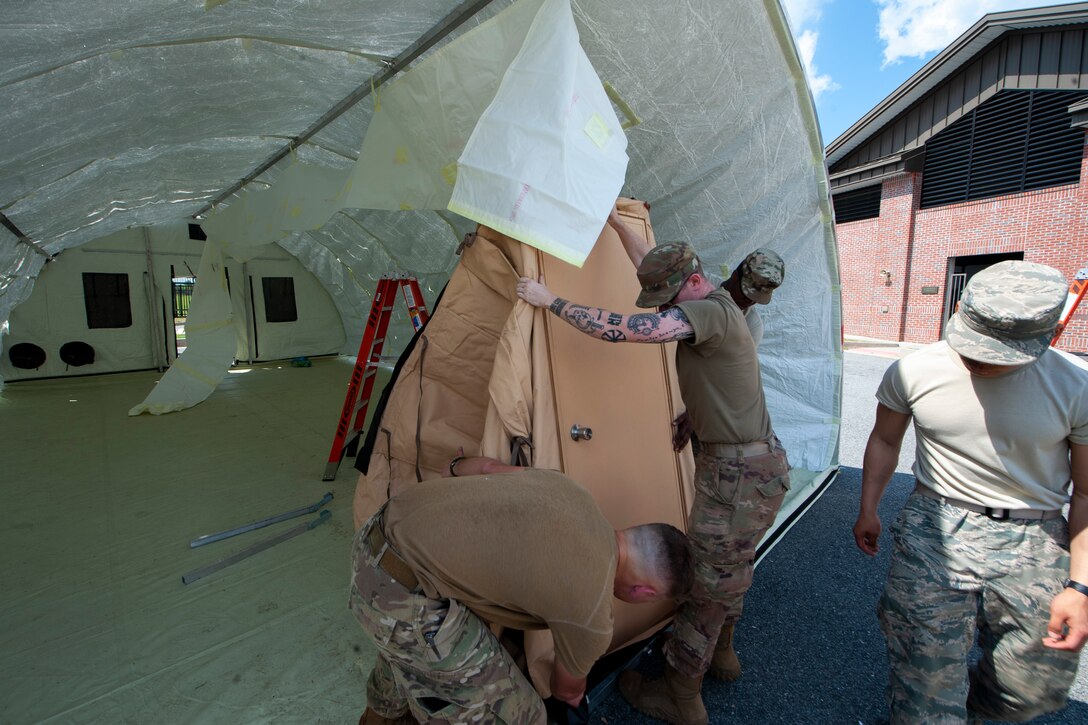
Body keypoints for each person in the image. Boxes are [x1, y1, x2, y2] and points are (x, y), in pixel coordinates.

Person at [515, 207, 788, 725]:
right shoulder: (713, 302)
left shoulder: (708, 310)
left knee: (706, 581)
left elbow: (626, 329)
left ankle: (682, 696)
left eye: (668, 298)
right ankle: (724, 655)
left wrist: (551, 301)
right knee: (732, 567)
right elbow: (656, 272)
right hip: (752, 466)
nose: (664, 307)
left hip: (735, 477)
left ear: (696, 281)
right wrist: (618, 224)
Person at [852, 260, 1088, 724]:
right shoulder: (912, 371)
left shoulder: (1076, 388)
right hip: (934, 529)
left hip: (1036, 541)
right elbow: (883, 439)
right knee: (925, 687)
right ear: (960, 309)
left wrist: (1080, 586)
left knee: (1029, 690)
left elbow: (1086, 493)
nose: (982, 359)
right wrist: (868, 508)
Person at [351, 465, 694, 724]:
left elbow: (483, 467)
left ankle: (385, 709)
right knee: (525, 715)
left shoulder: (572, 490)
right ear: (644, 591)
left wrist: (455, 467)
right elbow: (568, 692)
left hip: (377, 537)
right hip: (399, 598)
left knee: (413, 659)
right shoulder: (594, 615)